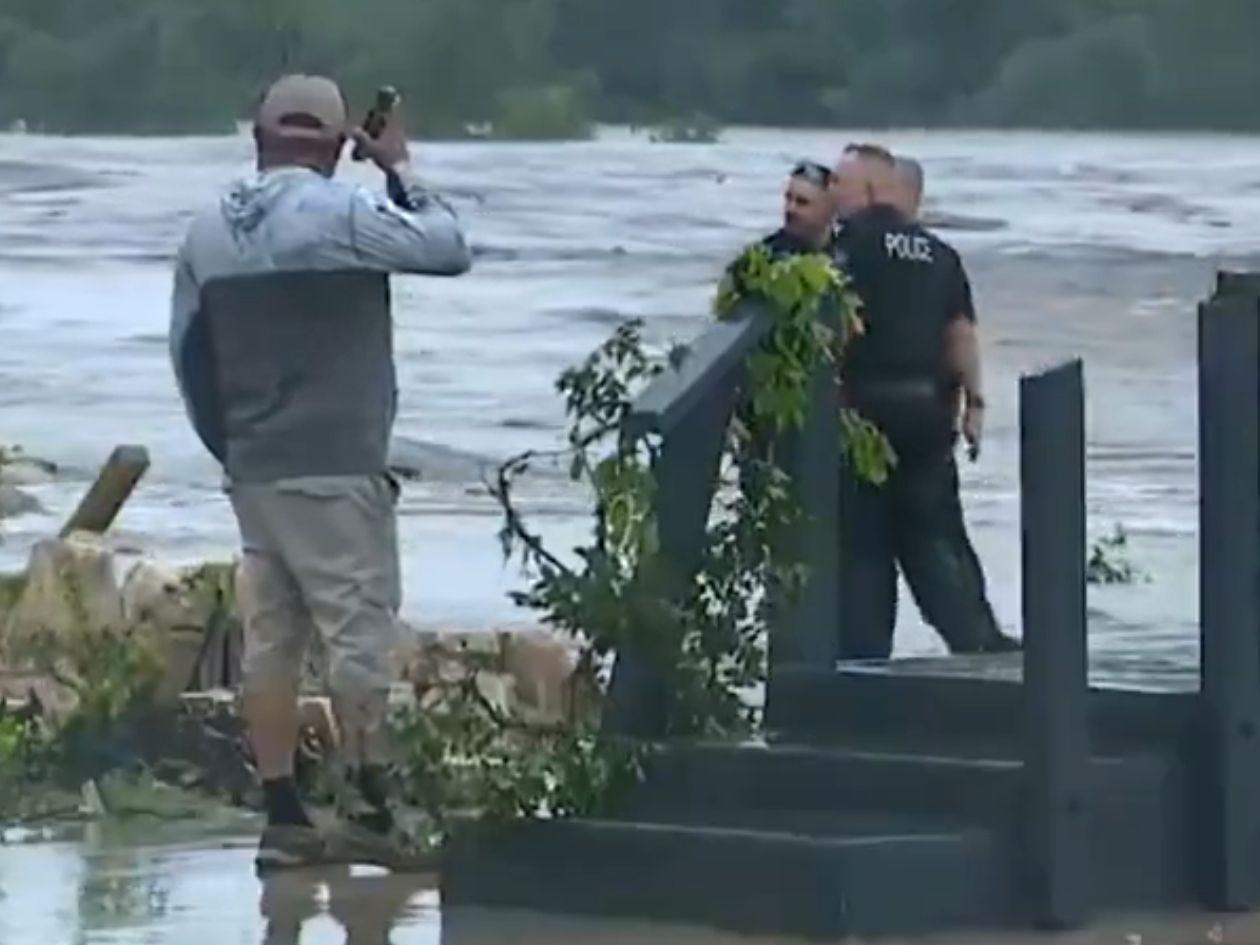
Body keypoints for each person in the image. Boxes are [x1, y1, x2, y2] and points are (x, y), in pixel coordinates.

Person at [169, 74, 472, 870]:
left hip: (256, 470)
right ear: (341, 145)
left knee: (272, 642)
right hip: (337, 466)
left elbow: (187, 355)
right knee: (357, 633)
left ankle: (286, 818)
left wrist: (231, 446)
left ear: (257, 137)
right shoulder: (341, 214)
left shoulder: (207, 232)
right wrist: (402, 166)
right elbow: (447, 247)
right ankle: (371, 808)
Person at [830, 143, 1016, 659]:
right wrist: (975, 405)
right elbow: (960, 334)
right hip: (929, 417)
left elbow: (836, 328)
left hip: (863, 416)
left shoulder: (847, 248)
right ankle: (981, 645)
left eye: (840, 186)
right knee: (937, 537)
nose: (833, 195)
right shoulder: (940, 254)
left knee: (862, 549)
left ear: (868, 190)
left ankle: (862, 661)